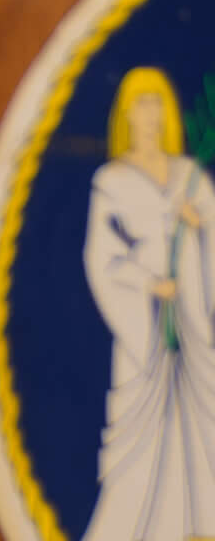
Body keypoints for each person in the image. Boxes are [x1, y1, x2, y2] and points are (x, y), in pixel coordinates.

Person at [101, 65, 215, 541]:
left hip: (191, 318)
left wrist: (201, 225)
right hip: (144, 327)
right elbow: (102, 259)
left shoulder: (190, 176)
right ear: (125, 114)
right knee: (147, 430)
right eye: (139, 104)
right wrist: (148, 282)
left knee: (200, 417)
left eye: (156, 103)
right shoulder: (112, 180)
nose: (148, 114)